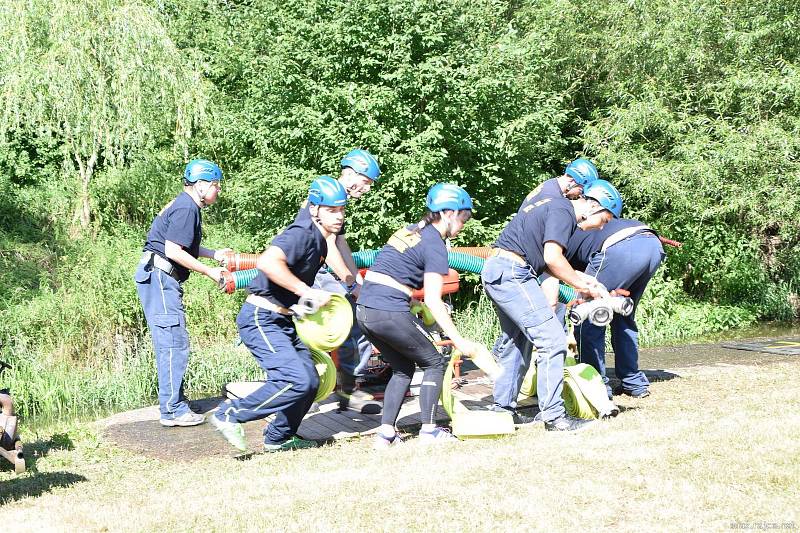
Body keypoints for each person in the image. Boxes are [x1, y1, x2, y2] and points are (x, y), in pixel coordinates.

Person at [208, 176, 346, 453]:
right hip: (260, 318)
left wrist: (307, 303)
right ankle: (229, 414)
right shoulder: (302, 233)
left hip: (283, 319)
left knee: (309, 381)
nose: (339, 216)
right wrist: (305, 291)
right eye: (332, 210)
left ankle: (278, 437)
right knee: (293, 380)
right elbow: (269, 262)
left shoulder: (320, 239)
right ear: (314, 209)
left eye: (342, 210)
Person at [481, 179, 622, 431]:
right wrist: (583, 286)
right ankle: (555, 418)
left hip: (501, 269)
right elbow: (553, 259)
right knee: (553, 340)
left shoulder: (555, 207)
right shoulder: (563, 211)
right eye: (604, 220)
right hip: (512, 272)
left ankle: (502, 410)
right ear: (594, 207)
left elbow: (550, 266)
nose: (599, 228)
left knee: (517, 341)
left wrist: (591, 282)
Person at [357, 183, 482, 447]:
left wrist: (412, 301)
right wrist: (459, 339)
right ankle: (429, 431)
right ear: (448, 213)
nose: (464, 224)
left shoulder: (409, 230)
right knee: (435, 362)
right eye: (464, 217)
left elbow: (392, 271)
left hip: (365, 309)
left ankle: (386, 434)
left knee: (402, 368)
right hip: (389, 309)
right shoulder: (435, 244)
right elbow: (436, 301)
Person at [134, 159, 230, 427]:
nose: (218, 190)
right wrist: (209, 271)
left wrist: (214, 254)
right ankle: (172, 410)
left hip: (160, 277)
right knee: (173, 343)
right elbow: (174, 251)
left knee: (174, 341)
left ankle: (175, 401)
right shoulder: (188, 208)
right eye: (215, 185)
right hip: (161, 278)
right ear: (201, 186)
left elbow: (182, 243)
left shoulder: (186, 205)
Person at [295, 149, 383, 414]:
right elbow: (328, 247)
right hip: (306, 273)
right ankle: (306, 393)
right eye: (366, 182)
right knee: (326, 325)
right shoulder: (325, 194)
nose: (367, 189)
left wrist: (357, 280)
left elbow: (339, 242)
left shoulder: (338, 197)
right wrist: (350, 285)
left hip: (318, 272)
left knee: (356, 318)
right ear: (352, 174)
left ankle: (348, 390)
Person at [565, 199, 665, 399]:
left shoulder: (563, 237)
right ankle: (633, 382)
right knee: (622, 315)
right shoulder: (602, 224)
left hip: (621, 248)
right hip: (652, 245)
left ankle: (595, 387)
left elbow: (561, 282)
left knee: (591, 316)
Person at [520, 158, 599, 205]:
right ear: (573, 182)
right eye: (581, 190)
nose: (579, 195)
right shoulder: (553, 198)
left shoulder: (550, 184)